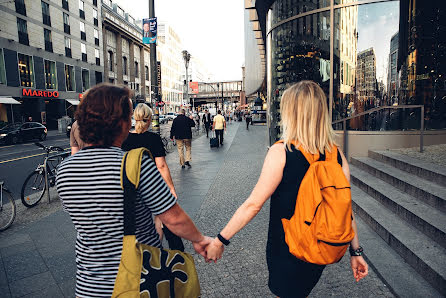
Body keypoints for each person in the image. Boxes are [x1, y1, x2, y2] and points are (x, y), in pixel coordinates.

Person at [206, 81, 368, 297]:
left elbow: (253, 205)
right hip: (319, 247)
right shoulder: (336, 155)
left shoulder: (282, 151)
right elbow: (345, 208)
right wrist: (355, 252)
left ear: (292, 113)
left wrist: (220, 239)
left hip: (287, 249)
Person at [56, 83, 211, 298]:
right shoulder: (135, 164)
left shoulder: (64, 170)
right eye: (128, 116)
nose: (130, 121)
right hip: (138, 281)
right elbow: (173, 218)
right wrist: (200, 239)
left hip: (89, 285)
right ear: (119, 123)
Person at [121, 103, 184, 251]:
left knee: (139, 222)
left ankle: (140, 251)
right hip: (153, 184)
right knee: (159, 217)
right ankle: (155, 252)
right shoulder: (153, 139)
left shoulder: (124, 139)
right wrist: (171, 188)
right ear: (149, 120)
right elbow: (161, 166)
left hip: (131, 186)